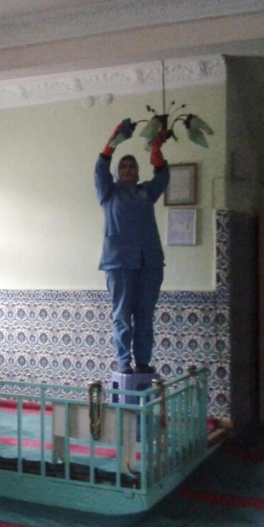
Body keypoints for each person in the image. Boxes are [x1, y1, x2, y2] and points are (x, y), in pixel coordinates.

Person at [95, 121, 170, 375]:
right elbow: (100, 169)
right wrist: (112, 142)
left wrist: (156, 150)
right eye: (123, 167)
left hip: (150, 263)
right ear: (118, 173)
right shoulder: (109, 194)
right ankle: (124, 361)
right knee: (122, 315)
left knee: (145, 316)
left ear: (138, 173)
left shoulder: (146, 192)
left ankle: (143, 362)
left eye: (132, 167)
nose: (128, 170)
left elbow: (163, 177)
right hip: (119, 264)